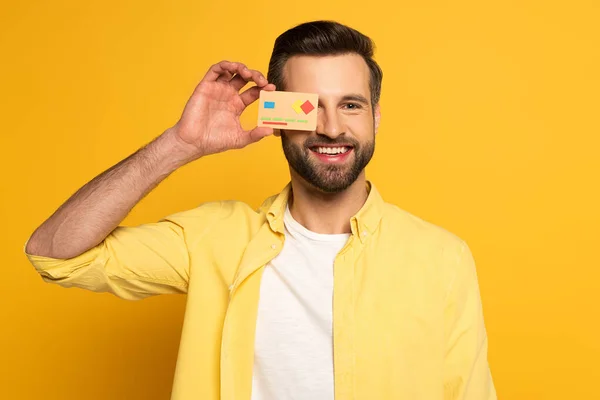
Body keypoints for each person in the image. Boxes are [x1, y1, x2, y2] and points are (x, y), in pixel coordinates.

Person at [24, 20, 497, 400]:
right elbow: (54, 253)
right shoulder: (216, 237)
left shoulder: (442, 258)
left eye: (350, 105)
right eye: (307, 106)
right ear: (276, 116)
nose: (331, 128)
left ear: (374, 118)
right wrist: (179, 145)